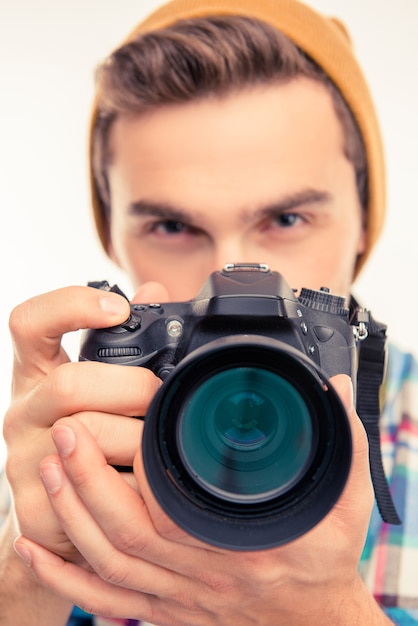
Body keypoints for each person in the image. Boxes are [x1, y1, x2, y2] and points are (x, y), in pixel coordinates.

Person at [1, 0, 417, 624]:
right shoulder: (45, 445)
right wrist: (29, 575)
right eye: (172, 225)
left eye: (286, 219)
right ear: (111, 235)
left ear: (366, 221)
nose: (233, 275)